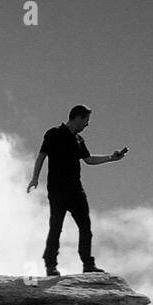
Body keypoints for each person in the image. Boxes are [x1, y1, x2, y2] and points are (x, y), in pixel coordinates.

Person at [27, 104, 127, 276]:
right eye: (86, 120)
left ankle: (88, 264)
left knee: (85, 226)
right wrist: (35, 178)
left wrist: (112, 157)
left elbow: (89, 159)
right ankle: (50, 265)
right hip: (57, 189)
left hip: (75, 190)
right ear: (78, 118)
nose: (87, 124)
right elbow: (41, 156)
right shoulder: (54, 134)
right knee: (56, 227)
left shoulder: (79, 140)